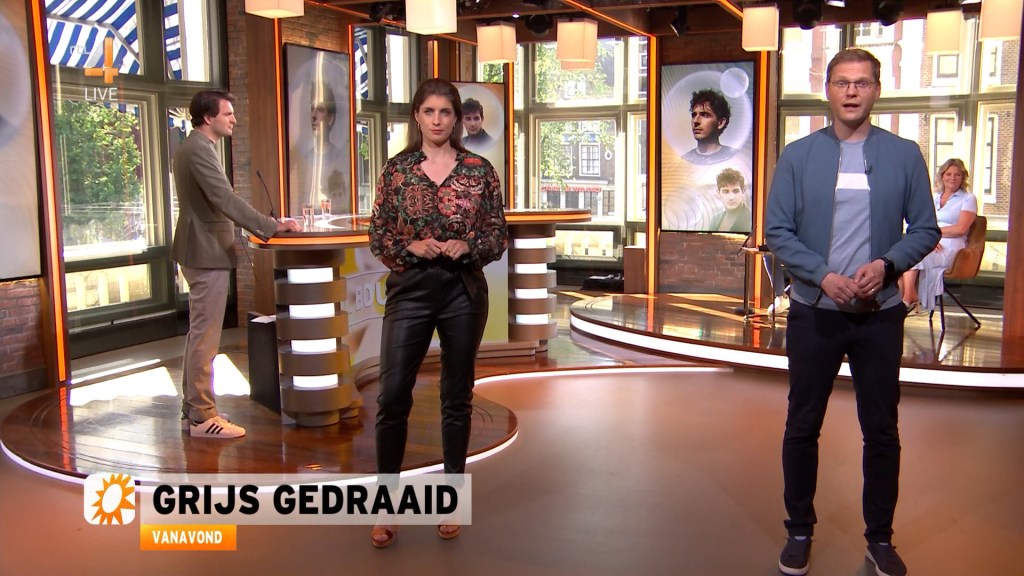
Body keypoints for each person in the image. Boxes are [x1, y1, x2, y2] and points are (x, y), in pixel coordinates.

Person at [765, 49, 939, 576]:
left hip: (880, 314)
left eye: (862, 82)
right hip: (814, 311)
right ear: (828, 89)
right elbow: (778, 232)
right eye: (842, 82)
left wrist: (887, 266)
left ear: (876, 90)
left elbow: (925, 229)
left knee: (882, 430)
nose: (851, 92)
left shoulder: (904, 154)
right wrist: (822, 275)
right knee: (802, 426)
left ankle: (880, 539)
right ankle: (799, 530)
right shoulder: (798, 156)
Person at [368, 78, 508, 548]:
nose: (436, 120)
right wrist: (410, 246)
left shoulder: (480, 171)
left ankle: (450, 500)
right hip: (410, 290)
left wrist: (468, 245)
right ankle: (386, 506)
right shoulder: (397, 171)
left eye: (445, 112)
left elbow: (497, 233)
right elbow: (378, 234)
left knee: (456, 396)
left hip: (462, 290)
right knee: (392, 396)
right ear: (416, 116)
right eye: (428, 111)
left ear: (456, 118)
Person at [171, 90, 301, 439]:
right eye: (228, 114)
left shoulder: (196, 147)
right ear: (208, 117)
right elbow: (224, 199)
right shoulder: (198, 149)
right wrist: (270, 225)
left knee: (200, 335)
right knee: (205, 338)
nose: (234, 119)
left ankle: (193, 410)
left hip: (203, 250)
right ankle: (202, 417)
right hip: (204, 251)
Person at [900, 158, 977, 315]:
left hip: (953, 245)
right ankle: (901, 302)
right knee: (904, 255)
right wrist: (929, 239)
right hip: (931, 242)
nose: (952, 178)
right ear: (942, 176)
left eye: (957, 175)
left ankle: (908, 298)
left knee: (917, 254)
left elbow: (960, 229)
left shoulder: (968, 198)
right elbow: (918, 223)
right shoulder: (933, 197)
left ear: (963, 178)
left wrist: (932, 235)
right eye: (948, 174)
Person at [290, 81, 346, 215]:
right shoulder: (302, 158)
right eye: (312, 109)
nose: (313, 116)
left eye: (320, 109)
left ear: (330, 118)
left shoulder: (341, 157)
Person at [682, 88, 737, 165]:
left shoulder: (735, 157)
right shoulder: (684, 161)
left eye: (704, 115)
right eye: (694, 115)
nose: (696, 121)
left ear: (720, 123)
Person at [709, 167, 751, 232]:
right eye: (725, 192)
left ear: (743, 191)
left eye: (736, 191)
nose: (731, 197)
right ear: (718, 193)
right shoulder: (715, 220)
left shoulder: (752, 219)